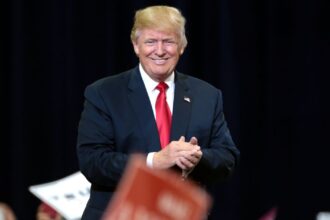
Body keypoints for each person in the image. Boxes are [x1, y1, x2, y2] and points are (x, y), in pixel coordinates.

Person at [76, 5, 240, 219]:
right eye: (151, 42)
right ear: (136, 46)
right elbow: (93, 161)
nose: (160, 51)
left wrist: (197, 158)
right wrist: (154, 161)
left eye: (169, 42)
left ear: (182, 46)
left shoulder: (207, 95)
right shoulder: (104, 93)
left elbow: (227, 158)